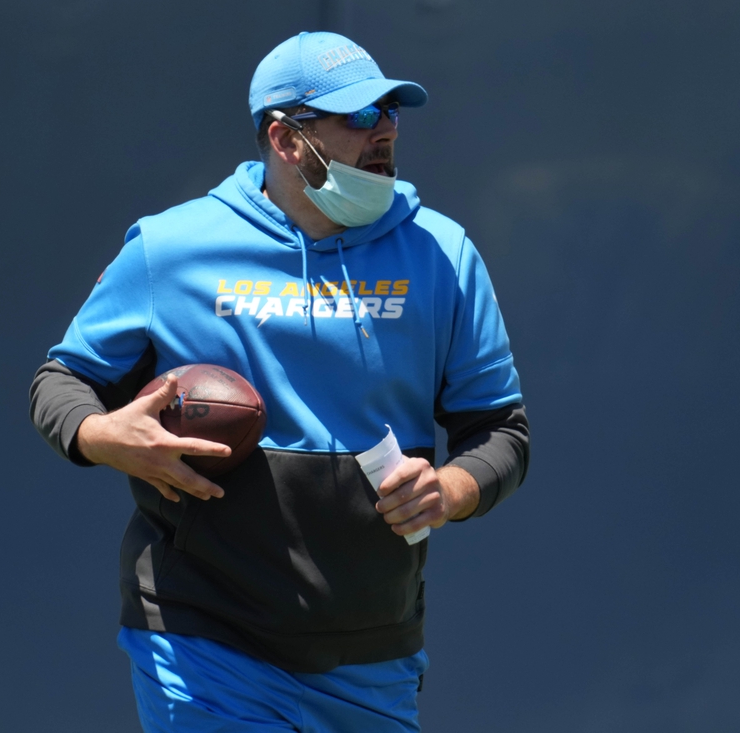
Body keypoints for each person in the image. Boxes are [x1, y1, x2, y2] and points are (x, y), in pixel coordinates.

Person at [29, 30, 530, 732]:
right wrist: (102, 434)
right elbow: (62, 379)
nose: (383, 130)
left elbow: (502, 432)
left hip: (371, 649)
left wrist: (451, 489)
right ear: (287, 139)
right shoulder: (170, 248)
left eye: (389, 112)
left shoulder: (443, 254)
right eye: (358, 117)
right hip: (205, 638)